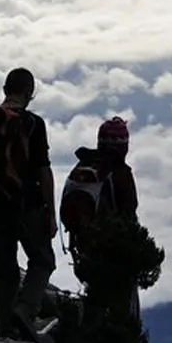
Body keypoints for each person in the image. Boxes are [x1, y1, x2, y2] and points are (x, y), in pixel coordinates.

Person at [0, 67, 58, 340]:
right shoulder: (33, 124)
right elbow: (43, 169)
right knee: (42, 260)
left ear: (5, 88)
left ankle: (4, 327)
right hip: (28, 205)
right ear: (29, 92)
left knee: (4, 270)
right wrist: (50, 213)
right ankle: (25, 310)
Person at [59, 116, 140, 321]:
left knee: (95, 295)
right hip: (112, 248)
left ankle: (88, 334)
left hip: (83, 245)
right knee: (120, 305)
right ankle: (116, 342)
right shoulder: (120, 173)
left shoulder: (83, 167)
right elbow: (129, 212)